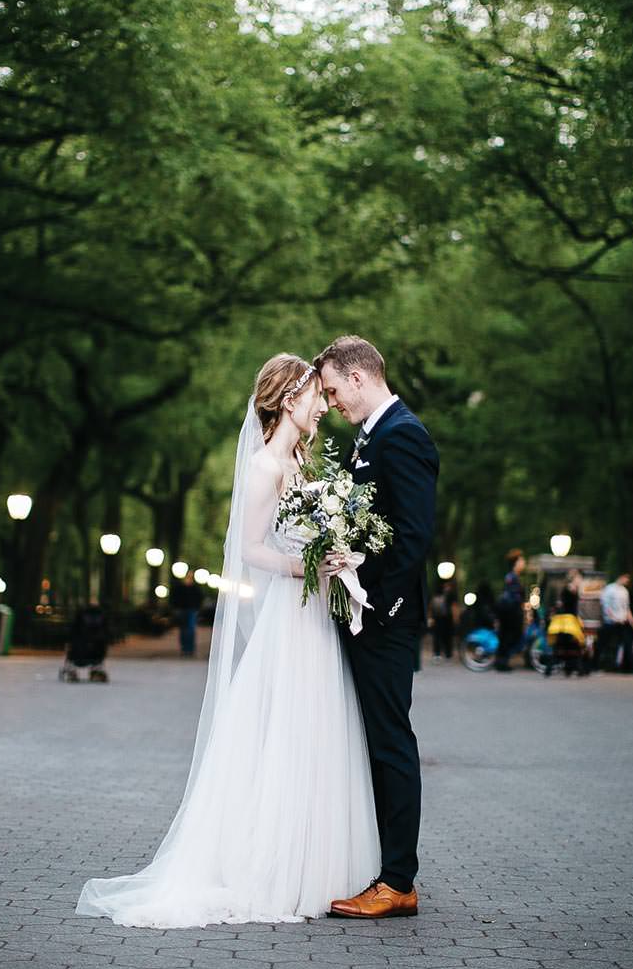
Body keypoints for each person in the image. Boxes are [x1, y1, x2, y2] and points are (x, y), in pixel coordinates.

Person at [76, 353, 379, 926]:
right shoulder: (265, 466)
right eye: (317, 394)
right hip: (290, 618)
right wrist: (305, 567)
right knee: (285, 732)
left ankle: (321, 866)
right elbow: (250, 550)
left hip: (314, 616)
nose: (323, 405)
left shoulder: (302, 462)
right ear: (290, 399)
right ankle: (274, 868)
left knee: (318, 729)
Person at [314, 335, 438, 918]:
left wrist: (379, 605)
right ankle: (383, 868)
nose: (333, 402)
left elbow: (412, 535)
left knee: (391, 743)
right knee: (373, 740)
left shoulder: (404, 434)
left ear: (358, 377)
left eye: (335, 390)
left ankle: (398, 881)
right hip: (362, 613)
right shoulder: (371, 438)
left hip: (385, 620)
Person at [545, 576, 589, 677]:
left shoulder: (569, 590)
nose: (580, 581)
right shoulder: (570, 589)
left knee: (562, 646)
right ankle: (576, 669)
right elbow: (570, 606)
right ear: (575, 579)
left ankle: (568, 668)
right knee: (573, 645)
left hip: (565, 622)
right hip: (568, 622)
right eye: (579, 579)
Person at [494, 549, 526, 672]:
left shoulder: (513, 577)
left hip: (510, 611)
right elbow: (514, 597)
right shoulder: (511, 577)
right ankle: (502, 661)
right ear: (516, 562)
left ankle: (502, 660)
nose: (523, 563)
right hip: (509, 612)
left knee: (507, 636)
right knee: (508, 636)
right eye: (522, 560)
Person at [597, 571, 633, 673]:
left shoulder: (625, 591)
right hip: (610, 621)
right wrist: (613, 618)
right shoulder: (609, 589)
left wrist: (632, 621)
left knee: (626, 643)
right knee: (605, 643)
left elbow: (626, 608)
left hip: (622, 621)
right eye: (626, 579)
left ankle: (626, 667)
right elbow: (606, 606)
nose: (627, 581)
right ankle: (599, 664)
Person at [169, 570, 202, 658]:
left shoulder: (195, 588)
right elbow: (174, 598)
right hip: (181, 610)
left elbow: (199, 599)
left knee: (191, 629)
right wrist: (175, 608)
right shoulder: (179, 587)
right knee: (183, 630)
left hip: (192, 610)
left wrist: (197, 608)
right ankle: (184, 649)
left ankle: (190, 649)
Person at [428, 580, 458, 662]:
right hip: (447, 618)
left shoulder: (435, 594)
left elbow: (430, 606)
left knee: (437, 636)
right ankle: (448, 654)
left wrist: (430, 617)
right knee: (447, 636)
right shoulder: (450, 595)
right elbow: (453, 607)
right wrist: (456, 619)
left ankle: (437, 654)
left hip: (437, 618)